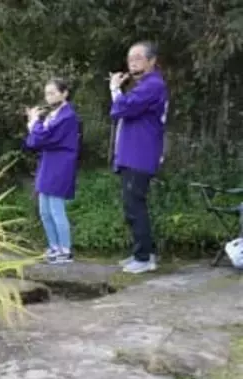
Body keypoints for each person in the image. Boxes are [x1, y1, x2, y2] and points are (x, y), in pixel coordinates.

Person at [109, 41, 169, 274]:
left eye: (138, 58)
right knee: (133, 205)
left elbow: (121, 109)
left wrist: (115, 89)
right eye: (129, 59)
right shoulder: (145, 85)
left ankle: (143, 258)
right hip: (134, 154)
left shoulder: (153, 85)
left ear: (152, 61)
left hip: (139, 154)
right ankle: (145, 254)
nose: (132, 62)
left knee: (134, 206)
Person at [23, 78, 81, 264]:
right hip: (47, 163)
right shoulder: (51, 116)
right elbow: (34, 142)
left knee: (56, 209)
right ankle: (54, 247)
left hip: (60, 164)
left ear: (64, 93)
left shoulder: (67, 116)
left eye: (53, 93)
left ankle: (65, 250)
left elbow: (44, 138)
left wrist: (34, 123)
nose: (49, 97)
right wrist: (34, 125)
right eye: (47, 94)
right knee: (44, 211)